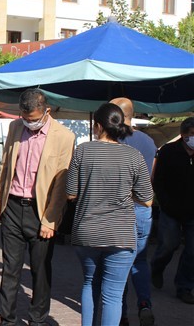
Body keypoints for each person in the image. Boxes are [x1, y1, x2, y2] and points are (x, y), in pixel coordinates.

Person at [0, 88, 75, 326]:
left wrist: (51, 219)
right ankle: (7, 320)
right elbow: (5, 166)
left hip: (41, 211)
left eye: (34, 119)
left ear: (46, 111)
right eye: (25, 117)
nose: (30, 122)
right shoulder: (15, 128)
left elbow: (61, 184)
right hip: (12, 206)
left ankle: (37, 319)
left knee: (40, 269)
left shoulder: (64, 136)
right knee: (10, 268)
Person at [67, 103, 153, 326]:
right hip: (121, 234)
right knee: (113, 294)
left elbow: (70, 193)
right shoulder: (134, 156)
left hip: (87, 231)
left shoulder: (82, 151)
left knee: (89, 283)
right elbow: (147, 199)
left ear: (97, 126)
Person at [110, 97, 157, 326]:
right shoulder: (148, 141)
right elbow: (151, 178)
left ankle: (121, 314)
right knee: (140, 261)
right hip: (142, 208)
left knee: (117, 263)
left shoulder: (112, 140)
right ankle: (145, 303)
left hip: (118, 210)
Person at [150, 116, 194, 305]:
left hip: (192, 212)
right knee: (168, 244)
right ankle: (157, 267)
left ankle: (184, 287)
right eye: (192, 134)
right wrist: (164, 202)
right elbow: (158, 180)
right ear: (183, 134)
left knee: (192, 251)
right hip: (170, 209)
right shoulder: (168, 151)